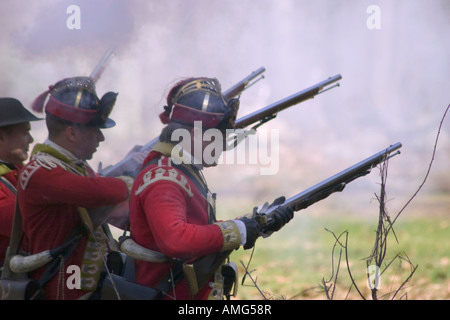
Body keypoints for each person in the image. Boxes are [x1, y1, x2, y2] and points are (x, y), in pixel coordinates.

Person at [129, 77, 294, 300]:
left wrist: (255, 223)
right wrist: (239, 230)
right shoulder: (164, 179)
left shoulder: (179, 170)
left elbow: (198, 229)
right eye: (218, 136)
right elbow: (176, 239)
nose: (224, 143)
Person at [16, 76, 130, 300]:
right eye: (94, 130)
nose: (101, 137)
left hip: (89, 285)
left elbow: (113, 208)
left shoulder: (75, 167)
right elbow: (100, 192)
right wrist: (130, 182)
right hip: (63, 289)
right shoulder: (42, 171)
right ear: (72, 133)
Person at [0, 97, 42, 267]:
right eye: (25, 132)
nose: (31, 140)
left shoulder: (17, 170)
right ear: (1, 137)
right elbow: (31, 224)